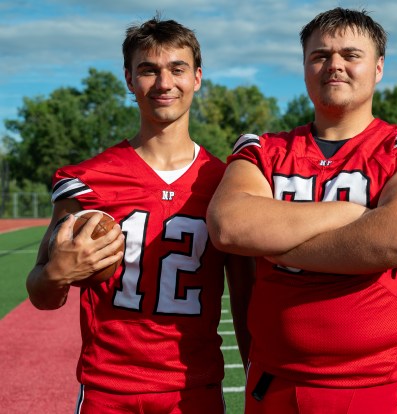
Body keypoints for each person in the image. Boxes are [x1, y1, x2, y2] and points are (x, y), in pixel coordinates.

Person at [207, 7, 397, 414]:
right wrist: (352, 214)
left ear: (378, 68)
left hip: (383, 381)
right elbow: (230, 226)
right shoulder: (263, 148)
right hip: (276, 380)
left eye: (351, 55)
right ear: (304, 67)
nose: (334, 64)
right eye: (320, 55)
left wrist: (272, 245)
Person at [26, 15, 253, 414]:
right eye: (148, 70)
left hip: (193, 387)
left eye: (177, 69)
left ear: (197, 78)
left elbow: (245, 299)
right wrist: (56, 274)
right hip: (108, 388)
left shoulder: (228, 182)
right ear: (130, 80)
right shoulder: (86, 180)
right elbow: (41, 294)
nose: (164, 84)